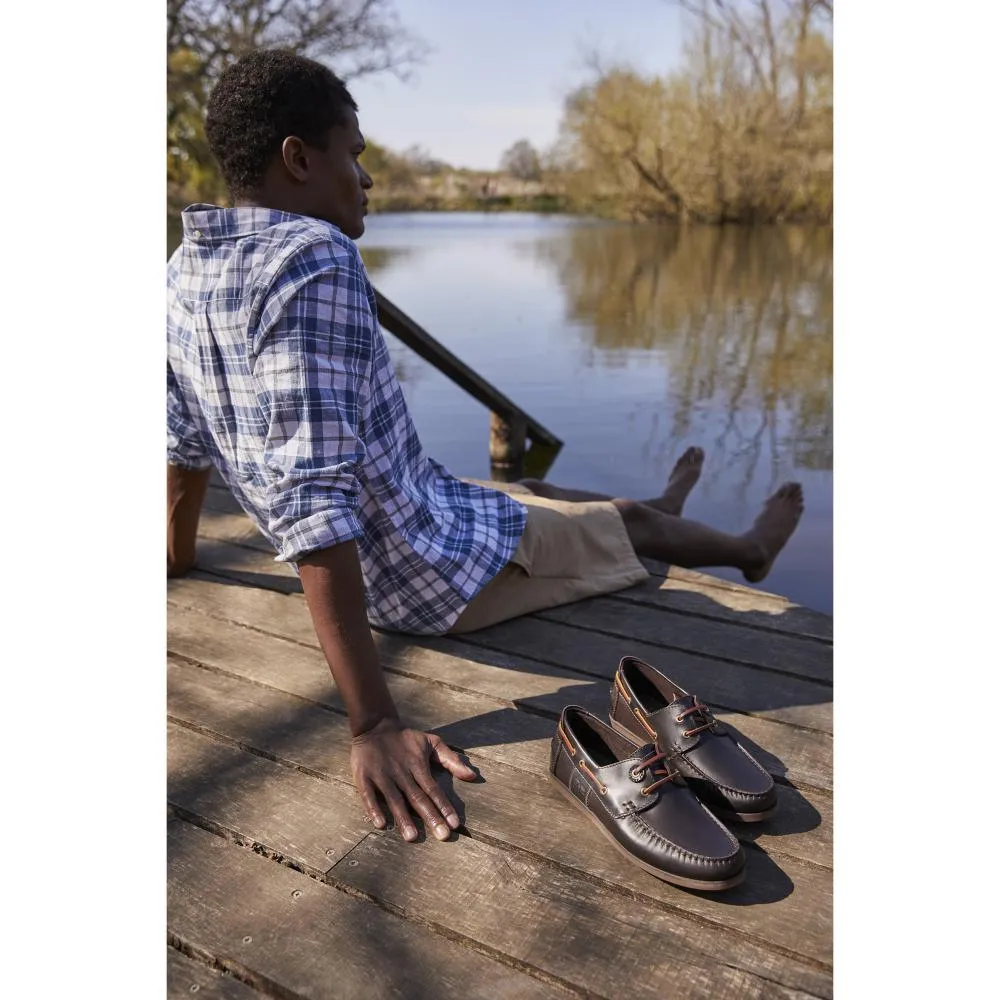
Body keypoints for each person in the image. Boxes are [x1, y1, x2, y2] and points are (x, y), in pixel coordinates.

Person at [167, 48, 804, 846]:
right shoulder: (314, 258)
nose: (367, 180)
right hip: (434, 576)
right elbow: (311, 498)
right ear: (298, 159)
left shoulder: (185, 270)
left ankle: (660, 518)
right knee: (626, 522)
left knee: (551, 506)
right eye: (354, 155)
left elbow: (182, 442)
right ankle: (743, 551)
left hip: (410, 534)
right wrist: (372, 723)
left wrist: (177, 558)